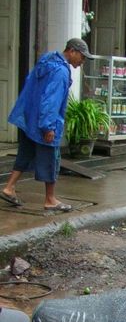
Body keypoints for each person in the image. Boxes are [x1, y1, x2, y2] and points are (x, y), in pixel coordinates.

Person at [1, 37, 91, 213]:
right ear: (72, 51)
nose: (83, 61)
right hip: (44, 121)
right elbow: (51, 100)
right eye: (82, 56)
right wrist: (48, 127)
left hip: (29, 117)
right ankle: (50, 200)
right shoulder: (61, 71)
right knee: (51, 160)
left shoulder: (47, 60)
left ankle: (9, 187)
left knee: (25, 153)